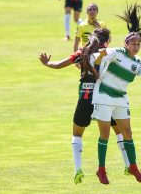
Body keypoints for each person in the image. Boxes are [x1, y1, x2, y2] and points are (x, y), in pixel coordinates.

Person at [38, 28, 130, 185]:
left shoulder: (83, 52)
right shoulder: (110, 52)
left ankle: (78, 169)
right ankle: (128, 165)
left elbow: (59, 65)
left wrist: (47, 63)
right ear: (107, 41)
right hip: (105, 98)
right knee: (119, 132)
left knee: (77, 134)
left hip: (86, 98)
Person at [90, 3, 141, 184]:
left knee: (128, 133)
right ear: (126, 43)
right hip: (104, 95)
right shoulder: (116, 52)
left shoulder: (139, 62)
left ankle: (132, 166)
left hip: (120, 98)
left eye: (139, 43)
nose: (136, 46)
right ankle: (101, 169)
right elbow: (95, 58)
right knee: (105, 135)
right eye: (133, 43)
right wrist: (100, 57)